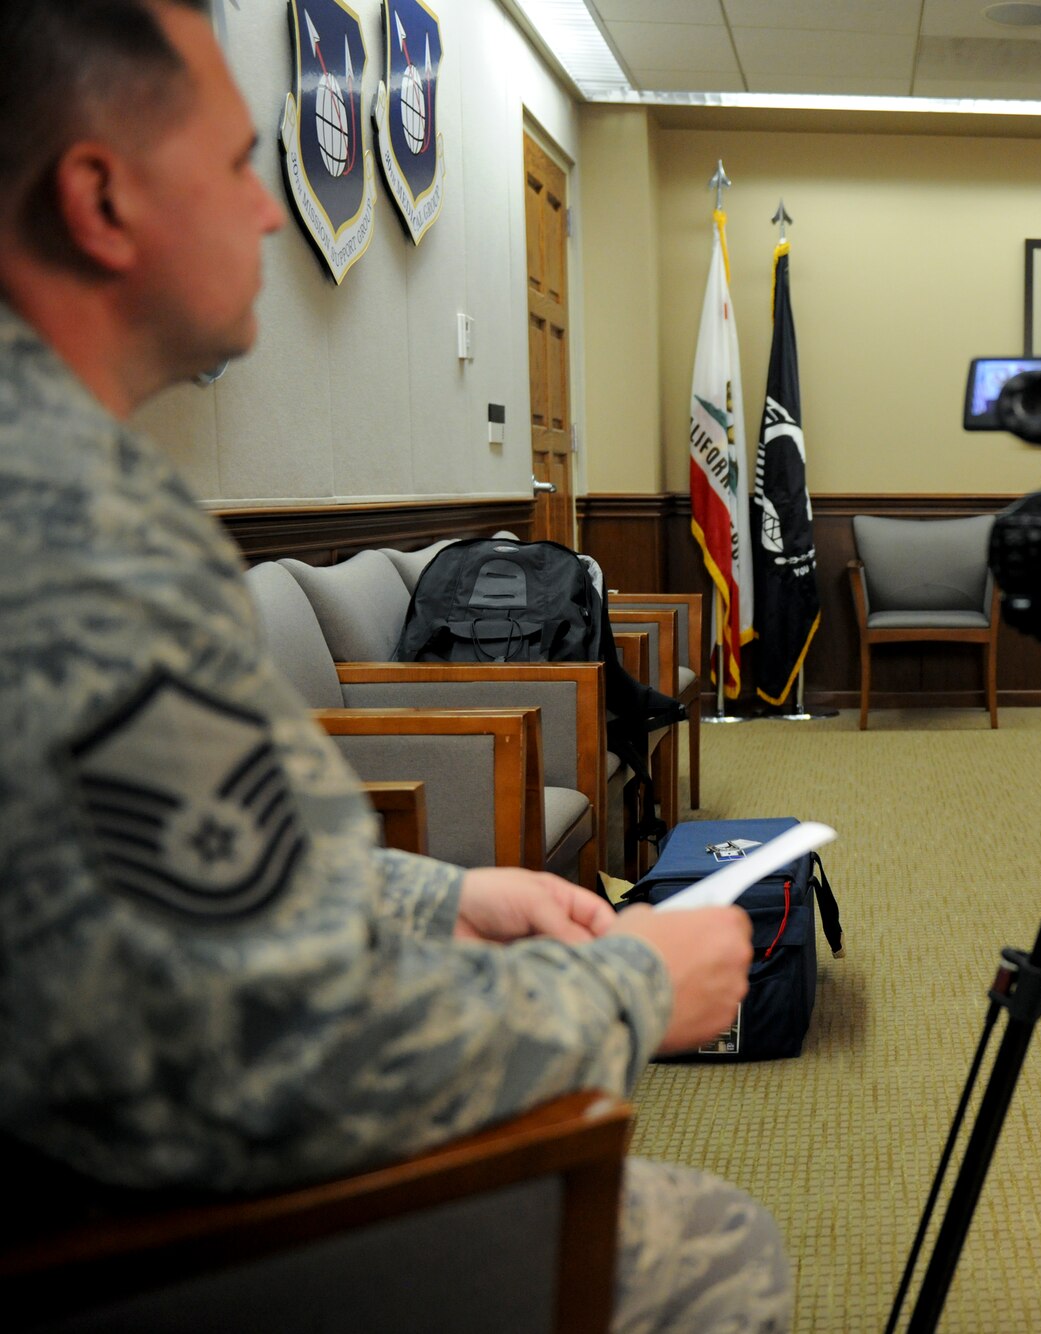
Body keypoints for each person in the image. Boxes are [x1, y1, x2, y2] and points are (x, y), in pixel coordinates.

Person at [0, 3, 791, 1328]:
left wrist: (440, 897)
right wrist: (639, 983)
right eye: (243, 161)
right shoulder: (73, 540)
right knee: (712, 1241)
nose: (265, 215)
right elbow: (291, 1054)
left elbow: (154, 885)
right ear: (102, 198)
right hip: (147, 1235)